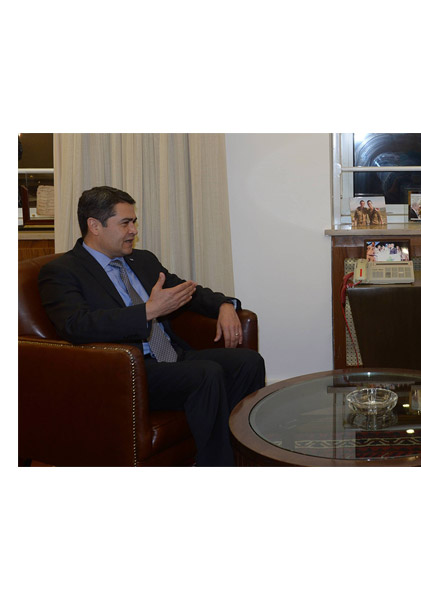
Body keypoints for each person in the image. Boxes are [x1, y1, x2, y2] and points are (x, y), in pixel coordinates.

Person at [38, 186, 266, 466]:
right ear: (94, 226)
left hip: (170, 356)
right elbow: (75, 325)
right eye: (126, 223)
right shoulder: (62, 272)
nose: (133, 230)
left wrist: (225, 304)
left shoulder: (141, 260)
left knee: (249, 362)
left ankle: (243, 457)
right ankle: (216, 467)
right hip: (127, 370)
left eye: (134, 222)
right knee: (206, 373)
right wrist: (147, 311)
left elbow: (184, 291)